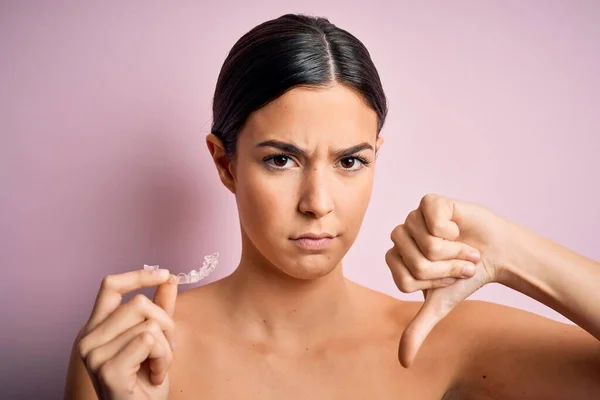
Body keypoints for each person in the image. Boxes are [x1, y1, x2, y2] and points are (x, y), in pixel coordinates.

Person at [64, 13, 600, 400]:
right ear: (224, 163)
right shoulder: (133, 352)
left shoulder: (446, 342)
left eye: (349, 162)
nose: (318, 204)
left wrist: (514, 254)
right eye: (281, 160)